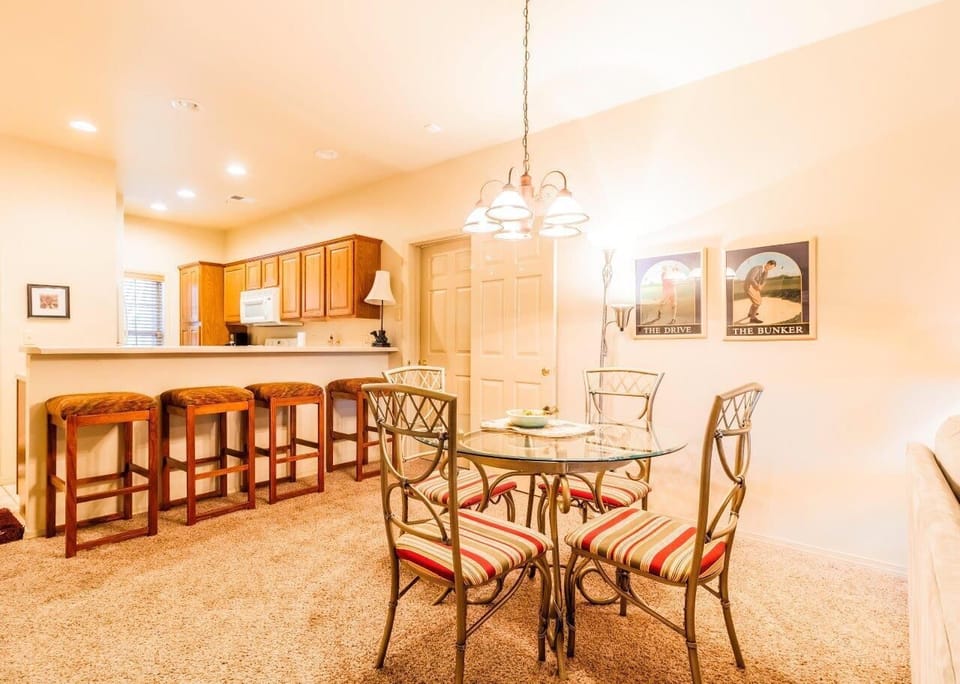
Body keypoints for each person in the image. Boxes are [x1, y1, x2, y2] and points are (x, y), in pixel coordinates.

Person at [743, 259, 776, 323]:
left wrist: (761, 286)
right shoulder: (757, 268)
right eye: (771, 267)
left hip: (755, 286)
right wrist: (757, 286)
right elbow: (751, 278)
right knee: (757, 302)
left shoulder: (766, 271)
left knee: (758, 300)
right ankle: (752, 318)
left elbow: (764, 280)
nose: (771, 269)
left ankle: (750, 313)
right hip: (749, 286)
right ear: (768, 264)